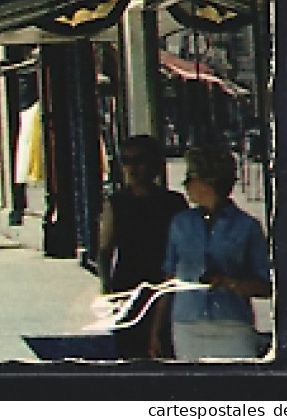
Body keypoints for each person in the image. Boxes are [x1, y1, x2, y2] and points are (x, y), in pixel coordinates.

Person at [151, 145, 271, 360]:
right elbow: (168, 280)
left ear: (208, 182)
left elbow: (265, 285)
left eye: (190, 177)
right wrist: (156, 331)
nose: (186, 185)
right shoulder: (180, 224)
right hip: (187, 323)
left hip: (232, 322)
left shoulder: (246, 227)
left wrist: (231, 283)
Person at [97, 135, 186, 358]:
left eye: (139, 160)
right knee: (131, 349)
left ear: (154, 165)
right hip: (129, 283)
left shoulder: (173, 203)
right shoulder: (117, 203)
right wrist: (106, 286)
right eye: (126, 161)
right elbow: (105, 249)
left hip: (164, 283)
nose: (133, 168)